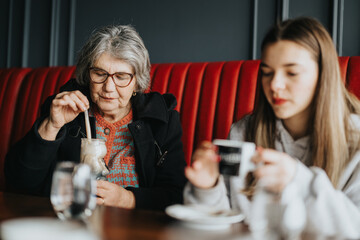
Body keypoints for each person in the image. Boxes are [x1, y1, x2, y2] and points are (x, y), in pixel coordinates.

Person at [184, 17, 360, 238]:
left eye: (292, 73)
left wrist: (301, 182)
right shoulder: (243, 133)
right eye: (267, 72)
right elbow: (225, 221)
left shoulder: (356, 140)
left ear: (324, 75)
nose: (275, 85)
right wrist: (207, 187)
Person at [5, 25, 186, 211]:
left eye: (121, 77)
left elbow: (176, 194)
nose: (108, 87)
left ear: (137, 82)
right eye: (99, 74)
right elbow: (19, 182)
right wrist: (51, 125)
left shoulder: (162, 120)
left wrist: (128, 199)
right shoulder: (66, 108)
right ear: (87, 75)